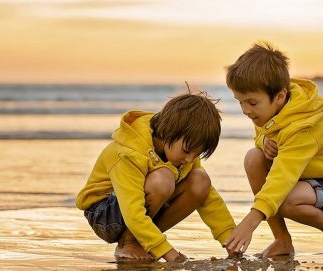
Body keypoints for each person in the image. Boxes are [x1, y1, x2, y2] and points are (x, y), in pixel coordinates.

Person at [224, 42, 323, 259]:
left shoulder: (303, 127)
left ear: (280, 96)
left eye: (252, 103)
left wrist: (251, 220)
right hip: (311, 181)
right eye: (240, 102)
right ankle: (282, 240)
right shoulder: (272, 111)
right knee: (254, 158)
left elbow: (282, 177)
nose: (245, 110)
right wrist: (263, 141)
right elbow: (265, 134)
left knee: (284, 198)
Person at [75, 90, 235, 262]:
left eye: (197, 154)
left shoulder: (182, 153)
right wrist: (169, 253)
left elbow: (209, 198)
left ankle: (142, 240)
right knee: (162, 179)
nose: (190, 159)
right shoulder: (129, 152)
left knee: (200, 180)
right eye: (187, 151)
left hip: (137, 212)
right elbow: (133, 212)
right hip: (104, 214)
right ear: (167, 131)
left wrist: (231, 239)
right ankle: (128, 243)